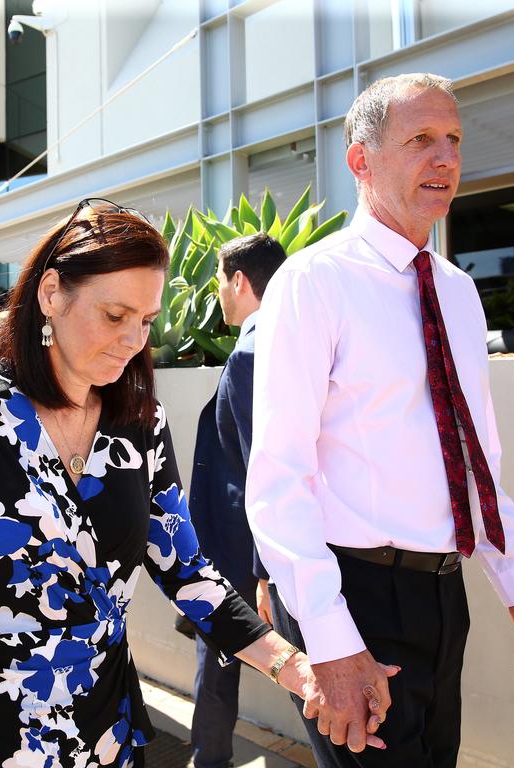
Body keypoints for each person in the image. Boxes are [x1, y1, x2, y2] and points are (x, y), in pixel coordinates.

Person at [0, 198, 392, 768]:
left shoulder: (140, 424)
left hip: (109, 741)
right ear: (51, 293)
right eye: (115, 316)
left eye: (147, 321)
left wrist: (304, 670)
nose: (135, 340)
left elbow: (190, 575)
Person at [246, 73, 514, 768]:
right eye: (420, 139)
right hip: (356, 599)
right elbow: (278, 478)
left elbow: (477, 458)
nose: (445, 158)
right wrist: (329, 640)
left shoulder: (457, 290)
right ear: (361, 160)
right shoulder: (313, 281)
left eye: (453, 140)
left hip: (444, 593)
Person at [189, 233, 286, 768]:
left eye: (221, 282)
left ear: (241, 281)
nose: (219, 295)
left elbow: (262, 467)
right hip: (269, 551)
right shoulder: (295, 338)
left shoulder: (253, 349)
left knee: (219, 669)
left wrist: (264, 572)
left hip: (247, 555)